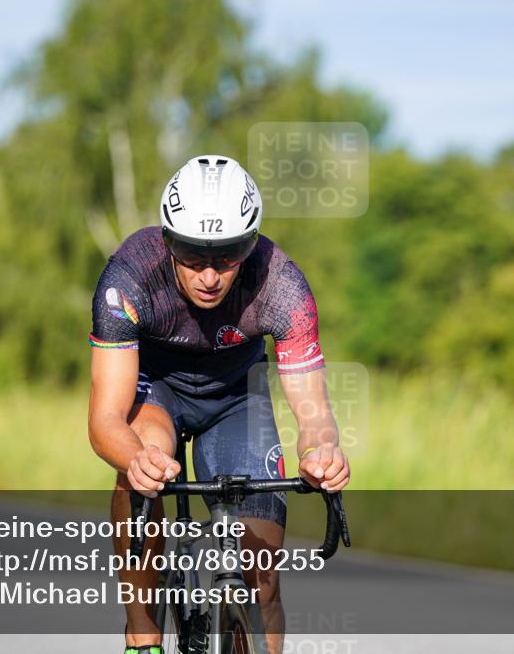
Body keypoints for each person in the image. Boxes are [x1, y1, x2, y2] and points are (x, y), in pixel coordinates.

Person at [88, 155, 350, 654]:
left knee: (264, 582)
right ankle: (142, 632)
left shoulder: (283, 285)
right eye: (191, 255)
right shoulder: (129, 277)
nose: (209, 275)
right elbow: (104, 419)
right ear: (167, 242)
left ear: (250, 246)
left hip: (236, 402)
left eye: (227, 257)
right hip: (155, 394)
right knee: (142, 463)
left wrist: (322, 452)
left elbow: (314, 414)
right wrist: (135, 461)